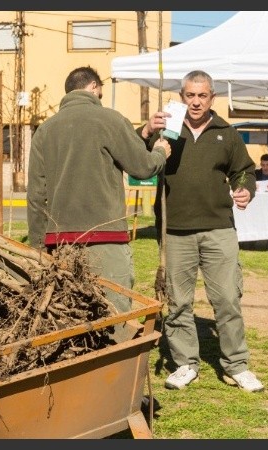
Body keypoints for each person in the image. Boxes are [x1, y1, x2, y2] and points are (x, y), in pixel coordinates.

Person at [140, 70, 264, 393]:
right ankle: (185, 364)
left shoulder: (226, 133)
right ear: (182, 97)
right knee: (178, 302)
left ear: (212, 98)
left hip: (218, 229)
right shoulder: (168, 128)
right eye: (190, 95)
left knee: (227, 299)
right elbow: (135, 152)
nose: (195, 102)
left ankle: (236, 365)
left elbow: (244, 171)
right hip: (175, 231)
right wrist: (146, 129)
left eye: (202, 96)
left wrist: (244, 190)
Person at [27, 65, 171, 317]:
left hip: (60, 242)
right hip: (105, 238)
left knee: (70, 313)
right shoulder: (110, 119)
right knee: (114, 312)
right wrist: (160, 152)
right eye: (100, 94)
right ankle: (115, 357)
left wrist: (39, 246)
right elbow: (143, 167)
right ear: (94, 87)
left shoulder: (44, 131)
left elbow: (36, 195)